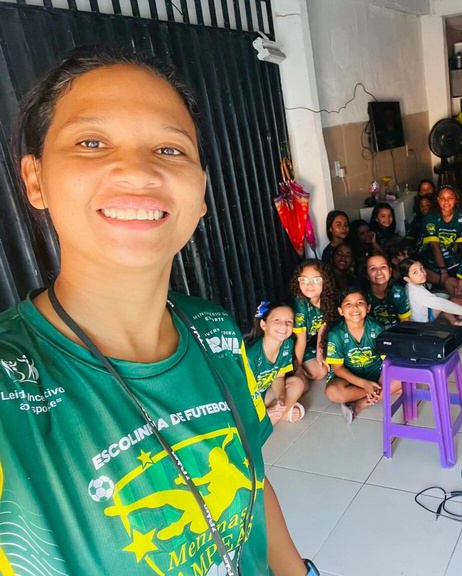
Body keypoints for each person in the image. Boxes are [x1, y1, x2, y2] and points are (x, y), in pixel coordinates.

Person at [0, 46, 306, 574]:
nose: (138, 171)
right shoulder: (12, 388)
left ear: (201, 192)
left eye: (169, 149)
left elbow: (254, 482)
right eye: (91, 142)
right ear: (35, 179)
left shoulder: (214, 330)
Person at [325, 286, 397, 423]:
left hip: (376, 372)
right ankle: (381, 392)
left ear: (368, 308)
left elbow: (386, 361)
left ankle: (360, 404)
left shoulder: (377, 328)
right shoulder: (336, 334)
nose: (355, 307)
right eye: (348, 304)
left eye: (360, 303)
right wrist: (365, 384)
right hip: (350, 376)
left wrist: (379, 384)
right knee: (332, 392)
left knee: (404, 378)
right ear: (340, 311)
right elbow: (338, 368)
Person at [246, 302, 306, 424]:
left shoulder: (287, 344)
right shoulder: (251, 356)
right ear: (263, 324)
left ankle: (268, 419)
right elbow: (239, 395)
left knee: (298, 383)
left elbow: (279, 377)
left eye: (289, 322)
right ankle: (265, 422)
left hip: (262, 395)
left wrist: (281, 399)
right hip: (244, 402)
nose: (284, 325)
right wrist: (267, 411)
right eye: (277, 320)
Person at [290, 259, 339, 383]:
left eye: (316, 280)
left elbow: (322, 330)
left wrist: (320, 354)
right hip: (291, 346)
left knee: (322, 370)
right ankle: (290, 370)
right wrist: (297, 369)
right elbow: (300, 340)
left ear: (325, 281)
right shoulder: (300, 304)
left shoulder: (326, 300)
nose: (309, 285)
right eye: (304, 280)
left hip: (305, 345)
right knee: (308, 372)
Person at [401, 258, 462, 330]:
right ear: (407, 279)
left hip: (416, 320)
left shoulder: (409, 286)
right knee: (443, 303)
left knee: (442, 298)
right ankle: (457, 322)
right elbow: (441, 304)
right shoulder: (418, 293)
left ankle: (452, 318)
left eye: (421, 268)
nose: (422, 273)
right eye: (415, 272)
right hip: (423, 323)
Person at [419, 185, 462, 287]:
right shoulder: (431, 218)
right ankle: (444, 281)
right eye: (442, 198)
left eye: (450, 198)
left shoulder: (461, 216)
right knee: (418, 269)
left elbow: (458, 245)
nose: (446, 202)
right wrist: (443, 271)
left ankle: (445, 282)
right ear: (437, 200)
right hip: (429, 257)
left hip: (448, 258)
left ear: (456, 200)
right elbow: (434, 246)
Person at [364, 252, 412, 327]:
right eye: (373, 268)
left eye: (383, 267)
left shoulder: (397, 291)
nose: (379, 271)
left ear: (390, 272)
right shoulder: (362, 294)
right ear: (367, 275)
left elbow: (405, 322)